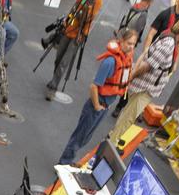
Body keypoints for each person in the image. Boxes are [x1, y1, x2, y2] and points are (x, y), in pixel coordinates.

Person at [108, 13, 179, 145]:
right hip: (145, 87)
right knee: (130, 116)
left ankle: (114, 134)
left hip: (145, 84)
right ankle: (112, 142)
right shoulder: (169, 45)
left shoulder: (167, 35)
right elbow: (148, 66)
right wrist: (131, 77)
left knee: (128, 112)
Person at [58, 28, 137, 165]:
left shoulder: (125, 60)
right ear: (121, 41)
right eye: (129, 43)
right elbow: (94, 86)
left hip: (105, 106)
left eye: (133, 44)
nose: (131, 47)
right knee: (79, 136)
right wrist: (97, 106)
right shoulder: (110, 62)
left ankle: (69, 161)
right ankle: (63, 163)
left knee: (85, 138)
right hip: (97, 105)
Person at [46, 0, 109, 97]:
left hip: (78, 34)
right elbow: (76, 5)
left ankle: (53, 86)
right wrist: (66, 20)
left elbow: (89, 19)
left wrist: (83, 34)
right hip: (69, 28)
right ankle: (54, 78)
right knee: (58, 57)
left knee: (64, 62)